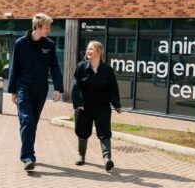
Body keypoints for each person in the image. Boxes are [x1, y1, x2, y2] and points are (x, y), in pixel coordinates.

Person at [8, 13, 64, 171]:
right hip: (23, 87)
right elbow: (14, 68)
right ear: (38, 26)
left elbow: (54, 67)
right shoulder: (20, 43)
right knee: (27, 120)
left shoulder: (49, 45)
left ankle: (28, 153)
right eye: (47, 27)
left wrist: (58, 88)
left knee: (33, 123)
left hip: (40, 89)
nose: (49, 30)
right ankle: (27, 157)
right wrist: (13, 91)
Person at [71, 40, 123, 171]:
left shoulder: (107, 70)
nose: (87, 51)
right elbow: (75, 85)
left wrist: (116, 104)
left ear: (99, 52)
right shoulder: (81, 67)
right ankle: (81, 155)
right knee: (82, 131)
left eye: (91, 49)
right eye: (87, 49)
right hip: (84, 106)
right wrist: (78, 103)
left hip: (102, 106)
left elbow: (112, 89)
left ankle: (107, 159)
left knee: (104, 132)